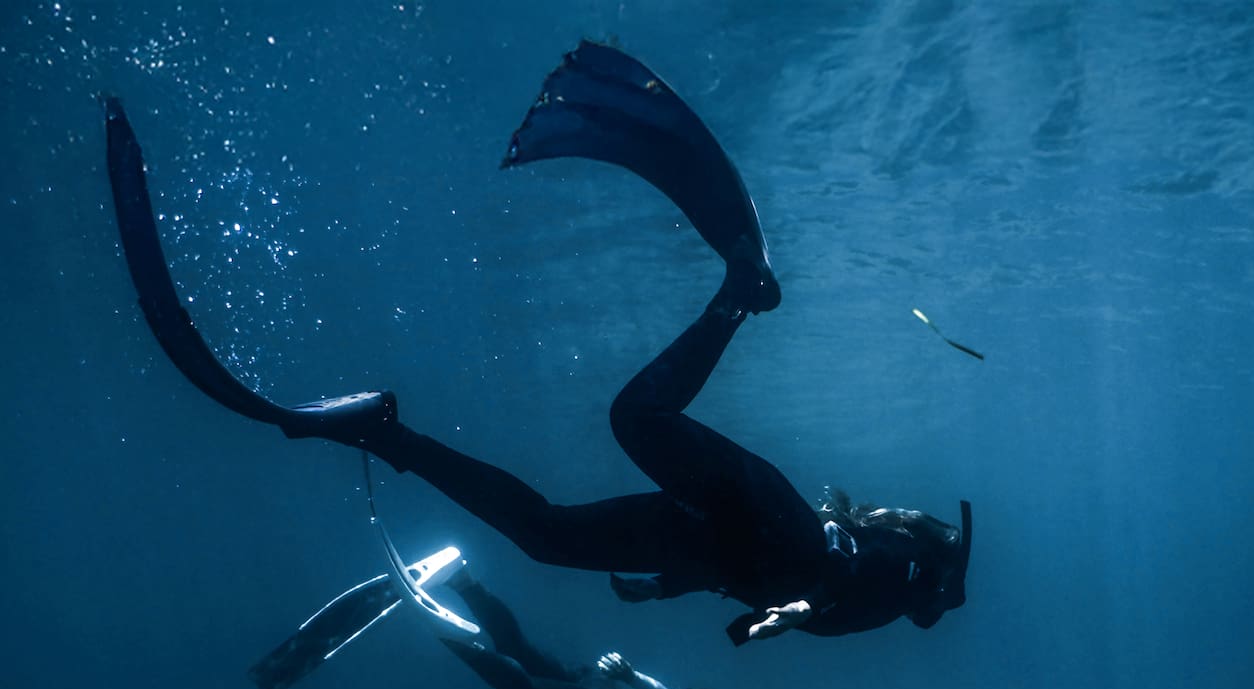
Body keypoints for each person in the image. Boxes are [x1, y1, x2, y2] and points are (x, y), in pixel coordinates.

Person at [103, 41, 972, 648]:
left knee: (546, 539)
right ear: (929, 567)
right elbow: (827, 578)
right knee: (636, 417)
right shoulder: (896, 579)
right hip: (766, 524)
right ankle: (735, 297)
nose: (941, 608)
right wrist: (774, 616)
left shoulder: (896, 590)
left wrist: (692, 586)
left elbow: (806, 587)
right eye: (945, 594)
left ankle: (380, 431)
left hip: (723, 547)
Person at [251, 558, 732, 689]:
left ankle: (464, 583)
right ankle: (446, 634)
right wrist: (629, 676)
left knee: (519, 649)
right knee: (520, 687)